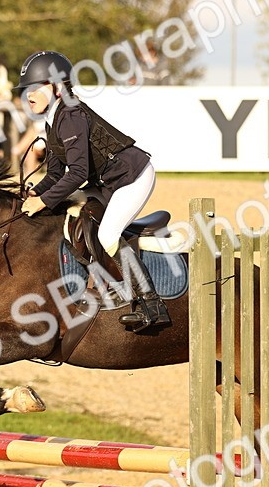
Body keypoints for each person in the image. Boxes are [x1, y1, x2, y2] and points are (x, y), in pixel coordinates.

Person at [16, 50, 169, 332]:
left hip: (132, 177)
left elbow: (77, 173)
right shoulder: (52, 119)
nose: (29, 94)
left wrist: (42, 203)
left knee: (108, 234)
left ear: (59, 87)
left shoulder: (71, 115)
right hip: (107, 182)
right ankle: (101, 283)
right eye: (27, 89)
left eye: (37, 87)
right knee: (73, 214)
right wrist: (31, 196)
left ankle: (151, 304)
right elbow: (53, 174)